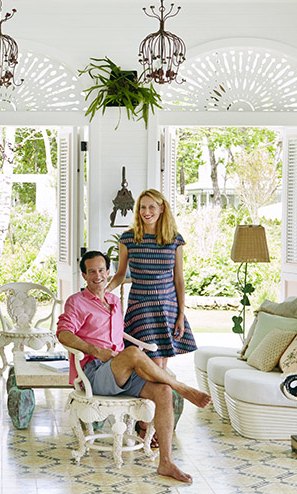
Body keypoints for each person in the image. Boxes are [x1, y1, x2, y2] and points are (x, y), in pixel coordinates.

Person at [58, 250, 212, 484]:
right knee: (132, 353)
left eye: (102, 270)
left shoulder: (113, 301)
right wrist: (95, 350)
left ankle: (166, 462)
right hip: (94, 373)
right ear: (84, 275)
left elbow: (120, 335)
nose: (98, 276)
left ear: (108, 272)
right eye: (92, 272)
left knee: (163, 391)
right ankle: (182, 387)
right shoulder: (76, 302)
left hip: (120, 371)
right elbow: (63, 334)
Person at [109, 189, 197, 369]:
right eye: (142, 207)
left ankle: (160, 388)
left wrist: (181, 315)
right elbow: (120, 274)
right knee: (153, 360)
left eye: (151, 207)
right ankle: (165, 387)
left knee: (162, 361)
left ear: (162, 208)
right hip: (141, 306)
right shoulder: (128, 238)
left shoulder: (174, 239)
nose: (146, 212)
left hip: (167, 306)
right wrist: (104, 290)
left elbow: (179, 280)